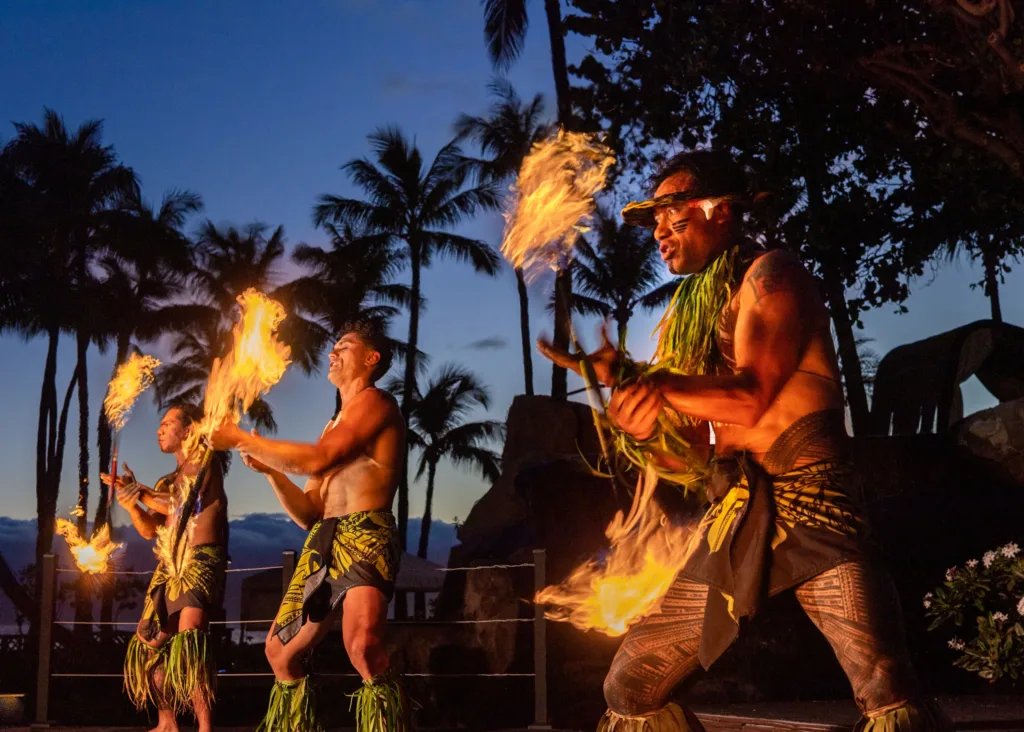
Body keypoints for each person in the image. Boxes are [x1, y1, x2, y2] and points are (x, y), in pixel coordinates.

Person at [538, 150, 953, 732]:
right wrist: (645, 425)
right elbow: (696, 449)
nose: (659, 231)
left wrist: (649, 382)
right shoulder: (694, 315)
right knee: (630, 686)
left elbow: (753, 393)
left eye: (674, 216)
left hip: (813, 507)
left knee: (884, 682)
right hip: (737, 517)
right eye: (655, 221)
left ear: (721, 211)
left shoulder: (774, 275)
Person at [211, 316, 409, 732]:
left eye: (345, 344)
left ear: (371, 358)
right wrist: (271, 472)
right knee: (280, 653)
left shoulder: (377, 404)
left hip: (365, 534)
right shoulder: (332, 426)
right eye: (333, 344)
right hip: (325, 538)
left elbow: (319, 460)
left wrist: (245, 438)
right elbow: (308, 512)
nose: (332, 352)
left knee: (363, 646)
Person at [103, 403, 228, 732]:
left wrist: (138, 490)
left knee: (190, 642)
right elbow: (150, 530)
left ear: (188, 430)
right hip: (168, 565)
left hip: (199, 558)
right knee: (149, 643)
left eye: (167, 423)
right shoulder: (165, 480)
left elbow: (184, 502)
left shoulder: (204, 460)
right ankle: (167, 722)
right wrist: (131, 504)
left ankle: (205, 727)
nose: (159, 430)